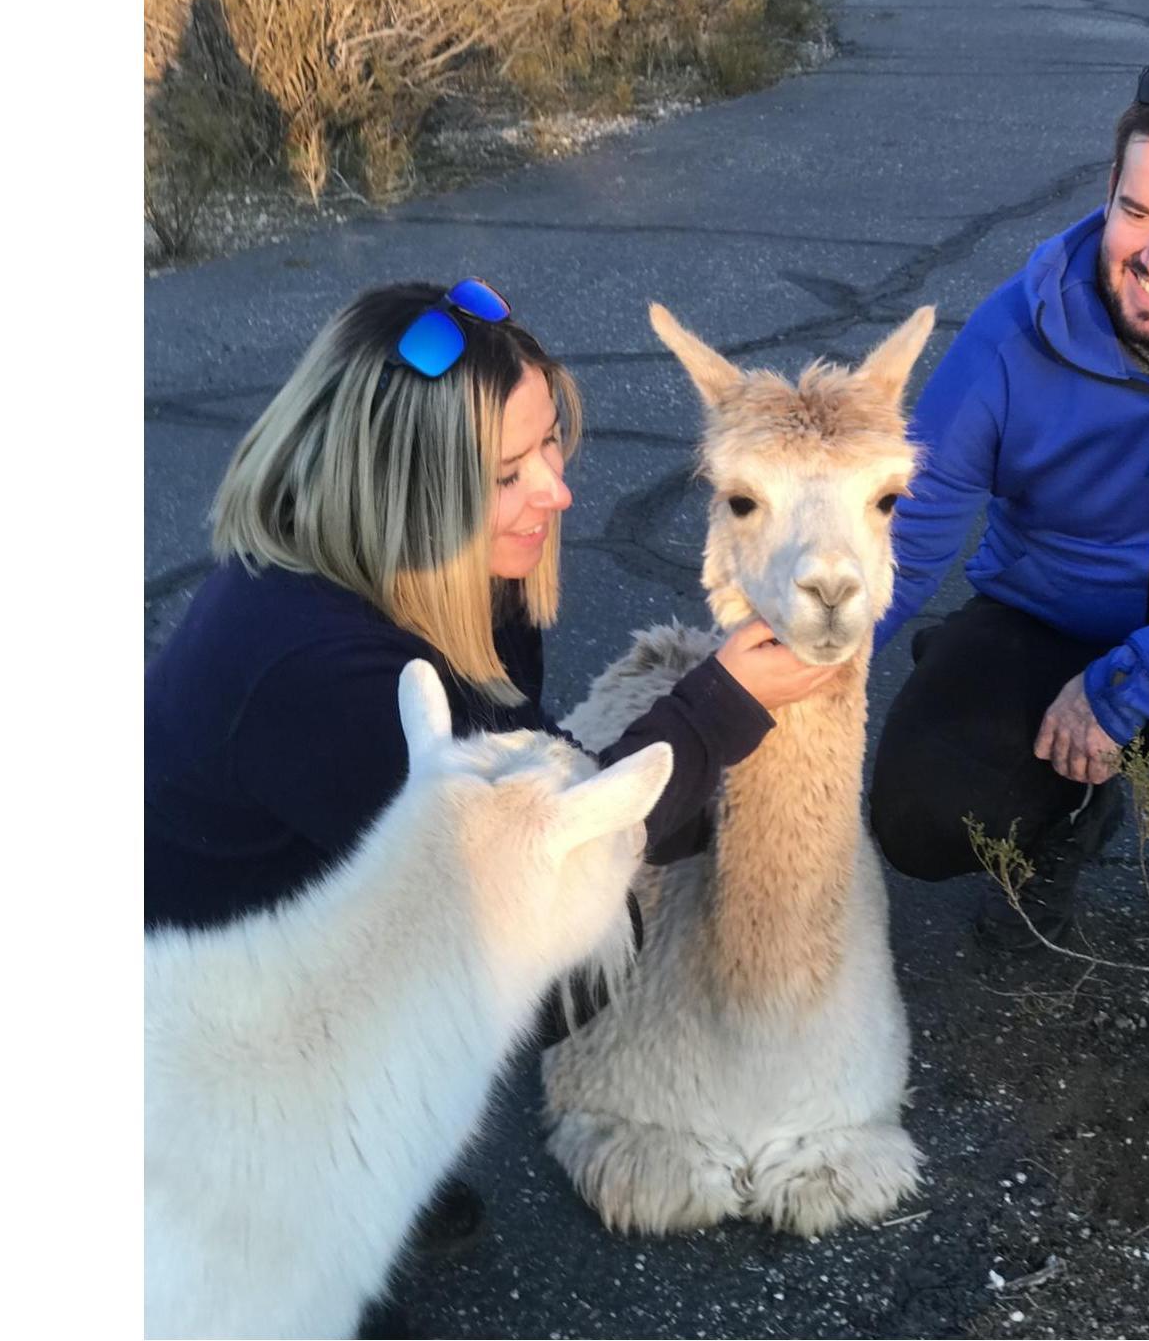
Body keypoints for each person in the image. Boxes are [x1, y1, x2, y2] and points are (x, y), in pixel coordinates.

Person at [145, 278, 841, 1264]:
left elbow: (528, 764)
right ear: (403, 489)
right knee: (594, 942)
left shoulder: (443, 573)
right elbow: (523, 905)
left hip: (288, 952)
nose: (556, 489)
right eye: (506, 471)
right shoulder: (320, 670)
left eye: (549, 438)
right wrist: (713, 710)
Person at [868, 46, 1149, 1077]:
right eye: (1137, 211)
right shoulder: (1013, 329)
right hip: (1045, 618)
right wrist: (758, 700)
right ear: (1108, 188)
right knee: (916, 816)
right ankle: (1062, 813)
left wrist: (1137, 683)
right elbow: (907, 535)